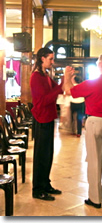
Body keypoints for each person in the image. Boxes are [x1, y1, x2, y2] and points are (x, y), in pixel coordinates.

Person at [64, 53, 102, 209]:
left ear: (100, 65)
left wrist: (66, 76)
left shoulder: (92, 83)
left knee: (94, 160)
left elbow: (69, 91)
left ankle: (95, 198)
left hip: (94, 121)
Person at [30, 47, 63, 201]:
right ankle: (38, 189)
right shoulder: (36, 77)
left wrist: (65, 82)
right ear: (42, 58)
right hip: (42, 119)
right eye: (50, 59)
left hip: (48, 118)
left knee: (48, 154)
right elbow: (43, 101)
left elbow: (56, 89)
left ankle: (46, 183)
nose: (52, 62)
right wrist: (62, 86)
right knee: (41, 156)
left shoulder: (46, 75)